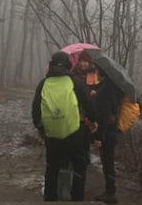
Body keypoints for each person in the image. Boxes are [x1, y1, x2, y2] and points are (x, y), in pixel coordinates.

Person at [32, 51, 98, 202]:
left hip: (51, 132)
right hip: (74, 131)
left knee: (52, 165)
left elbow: (36, 108)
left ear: (51, 64)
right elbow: (88, 103)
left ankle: (50, 196)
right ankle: (77, 197)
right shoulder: (76, 82)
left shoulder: (43, 83)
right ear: (68, 64)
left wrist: (39, 126)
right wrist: (94, 120)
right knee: (79, 164)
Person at [92, 66, 122, 205]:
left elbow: (104, 116)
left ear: (101, 74)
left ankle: (110, 193)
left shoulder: (104, 91)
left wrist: (98, 137)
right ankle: (110, 191)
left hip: (107, 133)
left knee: (108, 162)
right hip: (112, 131)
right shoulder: (111, 88)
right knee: (108, 161)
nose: (95, 74)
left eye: (97, 72)